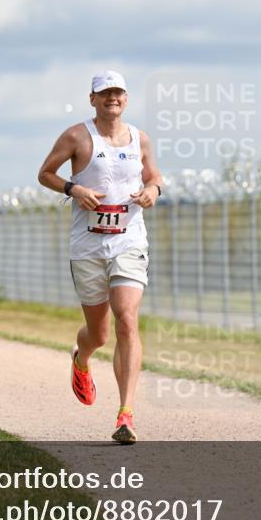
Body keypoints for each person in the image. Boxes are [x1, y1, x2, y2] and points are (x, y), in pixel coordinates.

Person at [37, 70, 162, 444]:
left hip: (129, 241)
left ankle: (126, 414)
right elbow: (45, 174)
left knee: (126, 320)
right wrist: (74, 189)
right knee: (100, 333)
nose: (112, 98)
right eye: (104, 93)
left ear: (126, 99)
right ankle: (81, 358)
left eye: (118, 92)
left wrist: (153, 191)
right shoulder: (77, 136)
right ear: (92, 99)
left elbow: (155, 176)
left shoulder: (139, 138)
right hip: (88, 247)